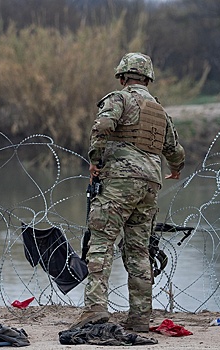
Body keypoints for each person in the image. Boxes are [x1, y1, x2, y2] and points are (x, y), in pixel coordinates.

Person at [71, 52, 185, 332]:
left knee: (101, 241)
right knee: (138, 250)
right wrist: (176, 169)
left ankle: (95, 309)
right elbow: (175, 150)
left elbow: (102, 126)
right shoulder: (159, 110)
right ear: (147, 78)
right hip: (150, 183)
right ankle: (140, 318)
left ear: (122, 77)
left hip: (120, 179)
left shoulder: (118, 99)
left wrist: (95, 160)